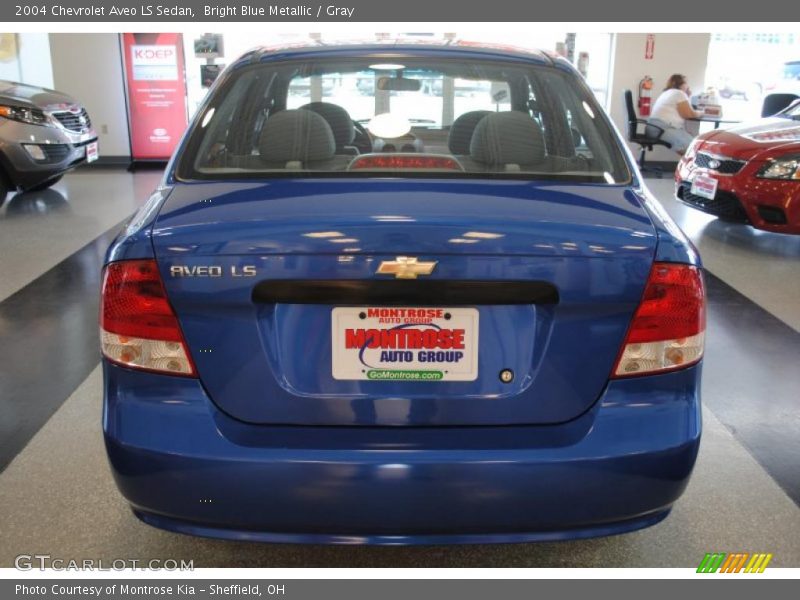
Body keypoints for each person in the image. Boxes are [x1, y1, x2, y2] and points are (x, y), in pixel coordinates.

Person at [646, 74, 705, 154]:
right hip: (662, 129)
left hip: (654, 128)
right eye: (686, 83)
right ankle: (688, 166)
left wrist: (687, 96)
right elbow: (688, 114)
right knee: (694, 147)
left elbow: (685, 111)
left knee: (692, 144)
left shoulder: (667, 93)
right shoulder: (679, 93)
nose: (687, 86)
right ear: (681, 84)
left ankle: (686, 165)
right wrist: (701, 112)